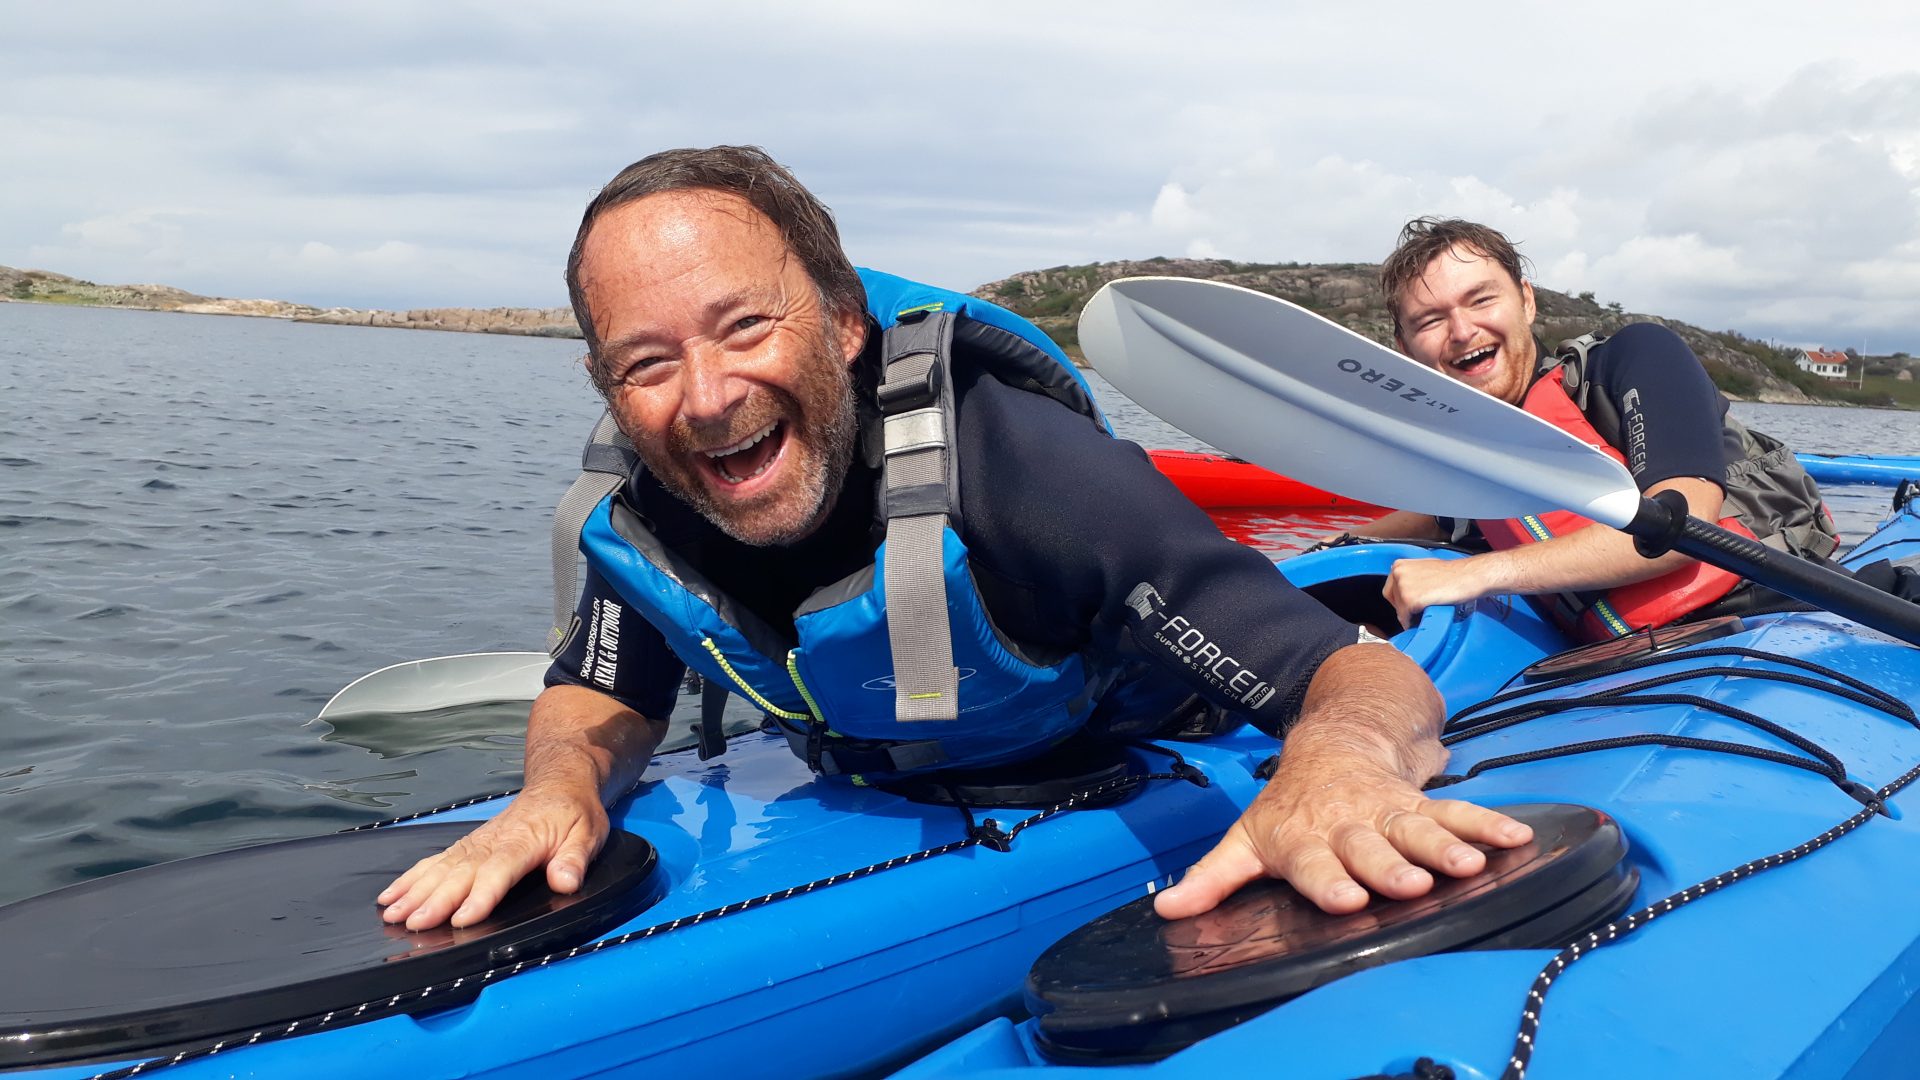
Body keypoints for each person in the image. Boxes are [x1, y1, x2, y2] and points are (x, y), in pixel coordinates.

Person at [376, 149, 1532, 933]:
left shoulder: (1021, 469)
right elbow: (600, 683)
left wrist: (1335, 768)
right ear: (606, 385)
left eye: (743, 327)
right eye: (647, 361)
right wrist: (558, 786)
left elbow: (1337, 672)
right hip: (892, 772)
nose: (707, 394)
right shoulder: (658, 496)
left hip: (1140, 739)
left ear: (841, 324)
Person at [1349, 217, 1837, 640]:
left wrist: (1478, 574)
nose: (1461, 331)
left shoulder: (1632, 359)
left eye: (1481, 300)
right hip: (1618, 657)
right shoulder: (1472, 452)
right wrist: (1338, 547)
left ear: (1525, 301)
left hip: (1769, 607)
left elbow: (1683, 524)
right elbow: (1442, 517)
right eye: (1431, 320)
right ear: (1404, 345)